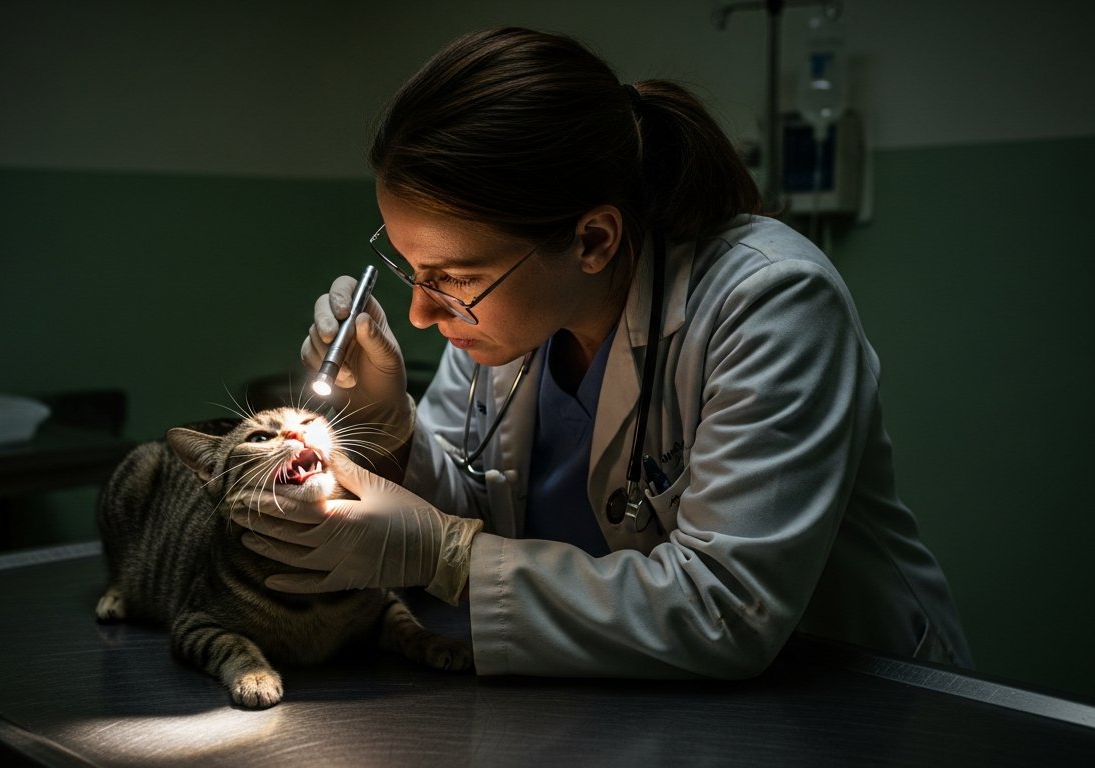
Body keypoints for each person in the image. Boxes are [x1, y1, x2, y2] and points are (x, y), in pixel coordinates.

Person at [230, 26, 972, 678]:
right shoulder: (509, 321)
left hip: (843, 695)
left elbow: (726, 611)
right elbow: (467, 509)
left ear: (592, 240)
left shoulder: (771, 302)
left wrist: (448, 556)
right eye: (410, 272)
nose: (422, 314)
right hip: (623, 701)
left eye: (451, 278)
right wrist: (392, 427)